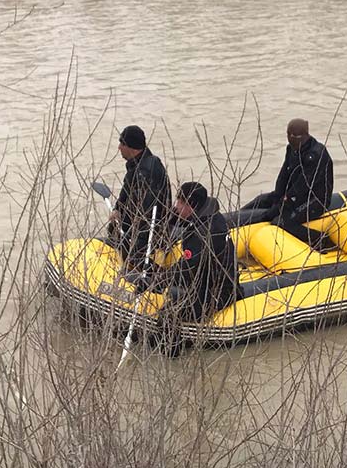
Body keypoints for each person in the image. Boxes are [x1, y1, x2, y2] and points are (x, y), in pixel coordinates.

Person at [241, 118, 335, 249]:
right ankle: (235, 222)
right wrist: (277, 196)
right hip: (292, 194)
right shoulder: (291, 149)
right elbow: (283, 176)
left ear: (306, 135)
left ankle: (322, 239)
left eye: (295, 136)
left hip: (314, 199)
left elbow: (302, 187)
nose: (291, 139)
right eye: (289, 135)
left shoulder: (315, 155)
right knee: (260, 200)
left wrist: (281, 206)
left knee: (282, 222)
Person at [154, 181, 239, 323]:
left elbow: (188, 267)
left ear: (191, 206)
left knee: (168, 317)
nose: (176, 206)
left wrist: (159, 280)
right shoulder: (209, 216)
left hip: (216, 292)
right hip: (205, 281)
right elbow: (185, 221)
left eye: (180, 203)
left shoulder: (204, 234)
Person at [109, 125, 172, 268]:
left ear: (132, 147)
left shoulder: (146, 173)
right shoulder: (135, 166)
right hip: (131, 225)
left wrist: (137, 245)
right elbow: (126, 192)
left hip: (150, 231)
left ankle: (154, 277)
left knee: (135, 258)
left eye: (122, 144)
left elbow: (149, 214)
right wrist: (117, 209)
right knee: (113, 230)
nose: (119, 147)